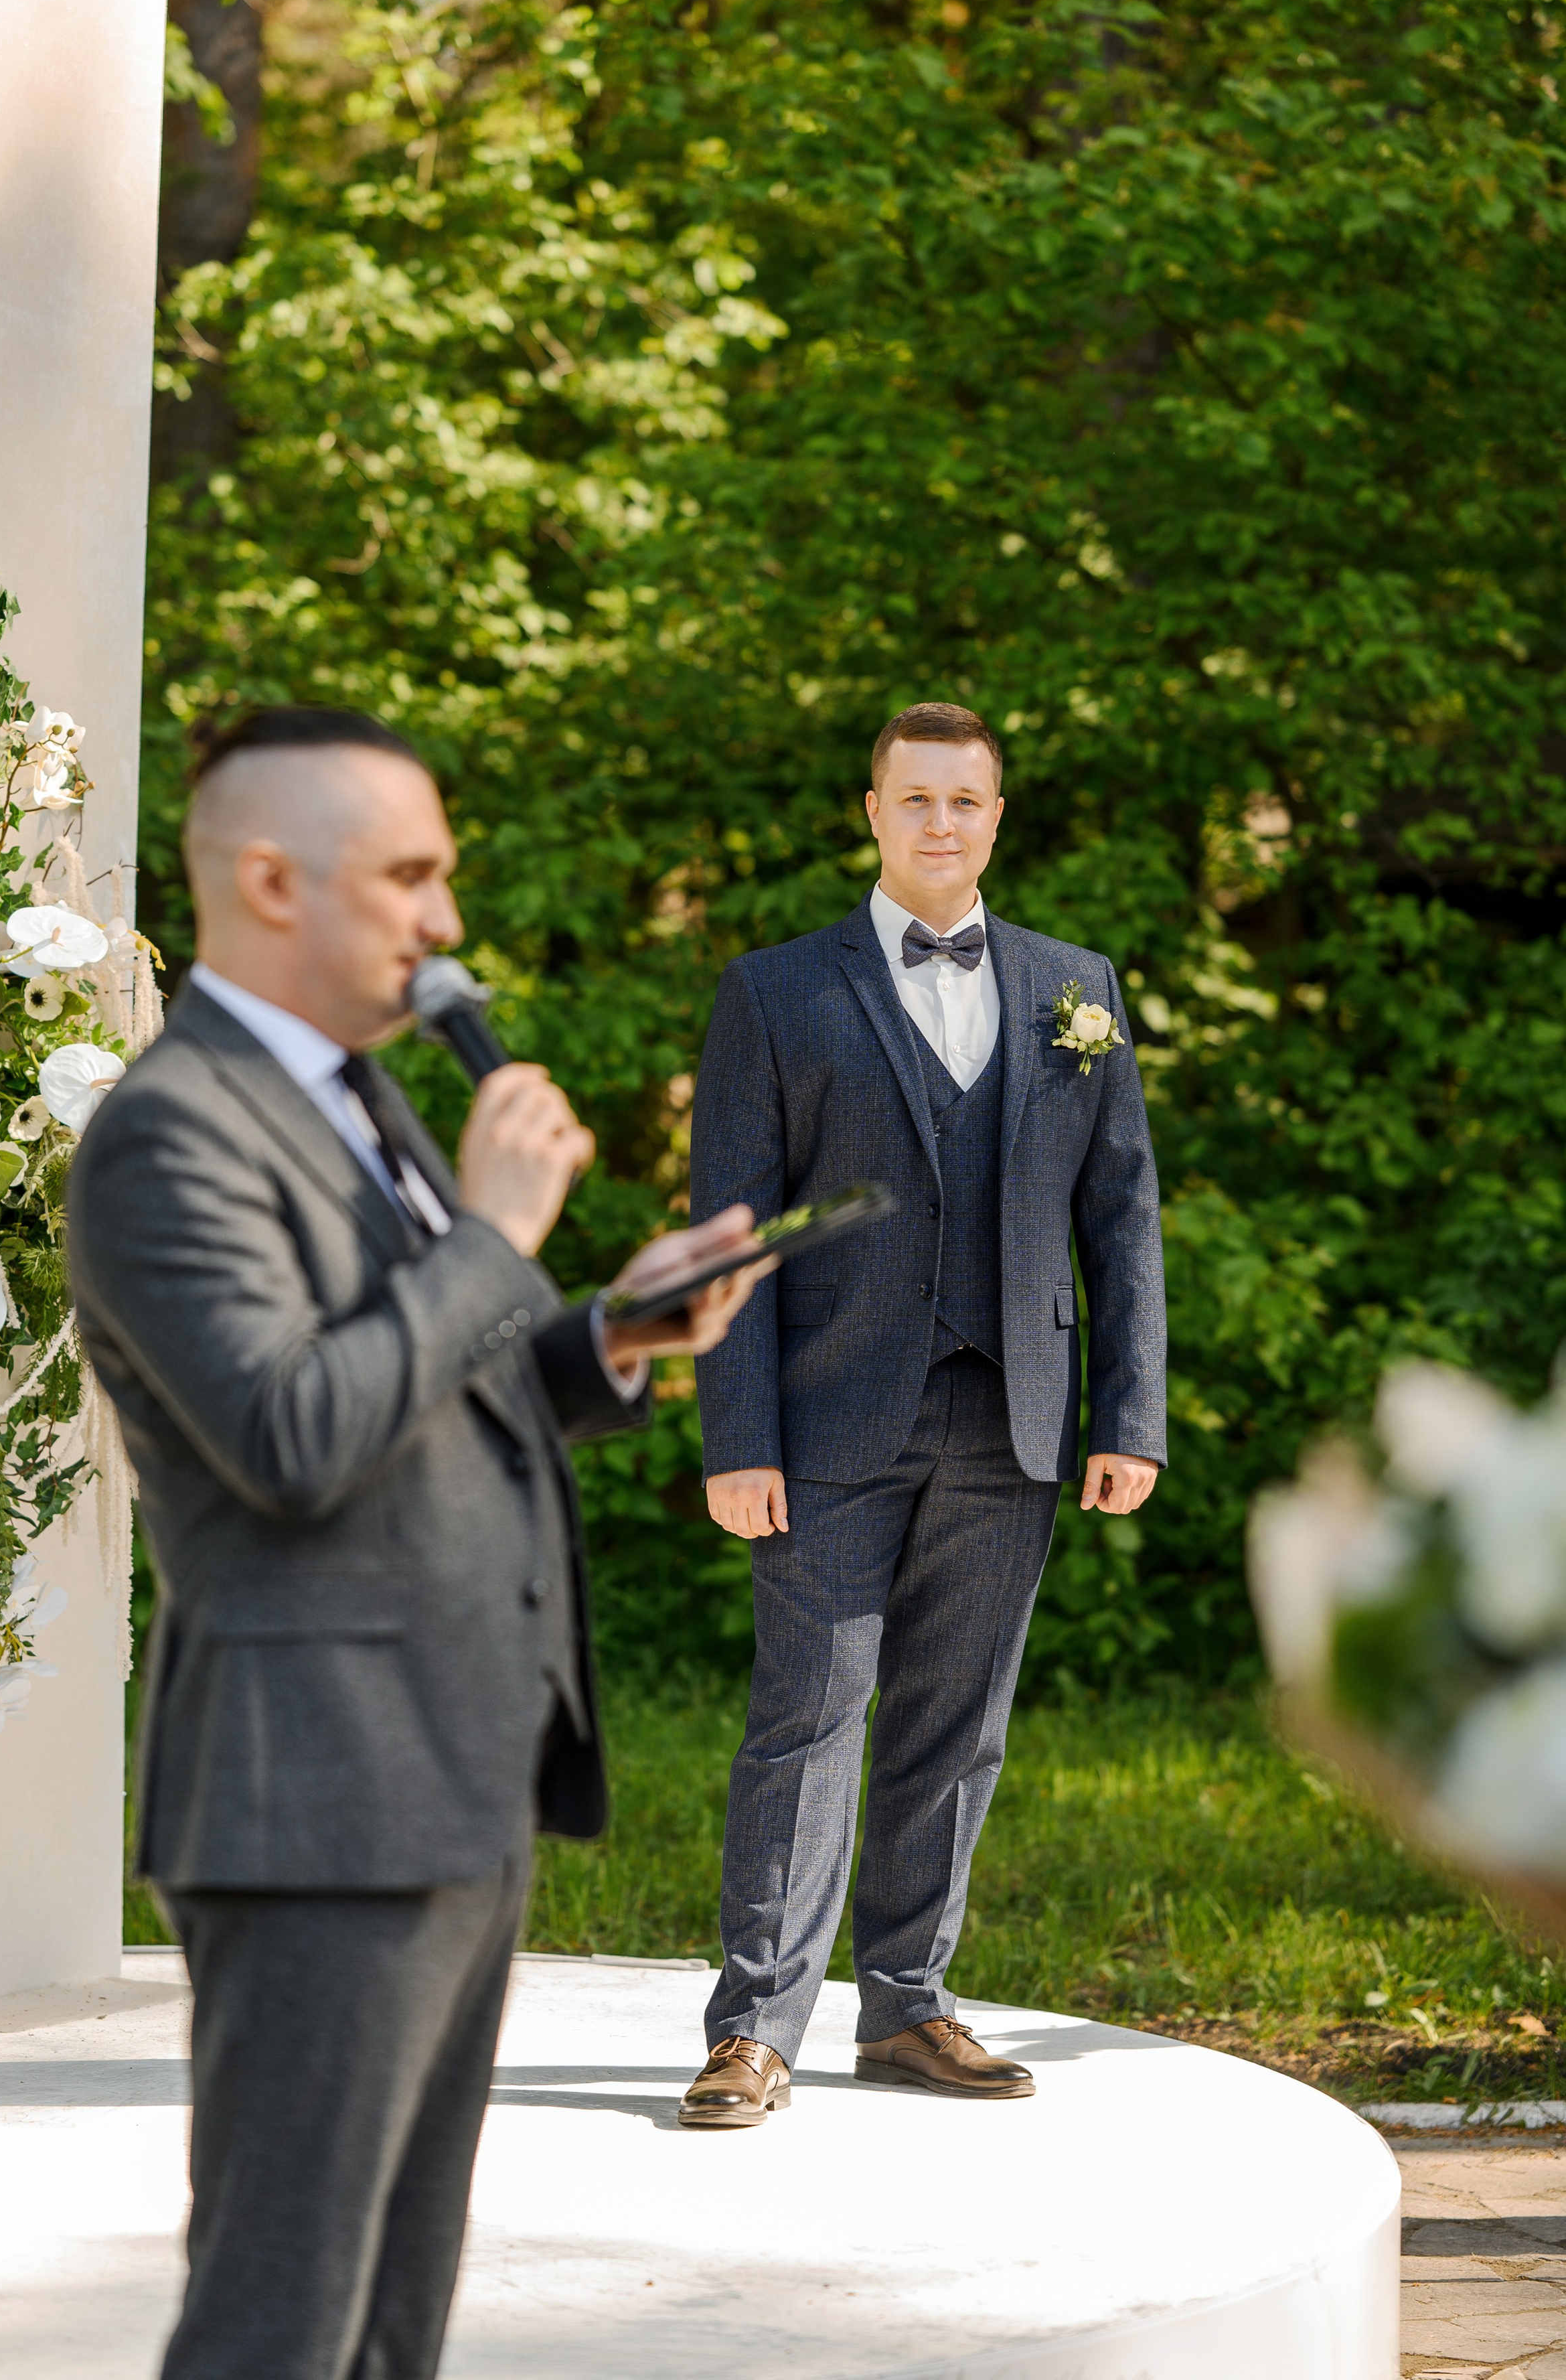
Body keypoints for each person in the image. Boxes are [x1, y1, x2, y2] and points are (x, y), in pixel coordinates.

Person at [68, 706, 767, 2378]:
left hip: (450, 1777)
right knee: (281, 2316)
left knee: (395, 2313)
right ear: (270, 881)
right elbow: (290, 1434)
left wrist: (607, 1335)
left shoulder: (352, 1097)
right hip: (316, 1795)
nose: (445, 919)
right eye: (410, 874)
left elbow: (420, 1382)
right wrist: (496, 1234)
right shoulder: (170, 1131)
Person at [679, 700, 1166, 2129]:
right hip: (827, 1417)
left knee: (958, 1723)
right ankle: (753, 2028)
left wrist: (1128, 1415)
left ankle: (904, 2005)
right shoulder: (775, 991)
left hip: (1014, 1416)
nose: (940, 821)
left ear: (995, 818)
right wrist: (737, 1437)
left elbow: (1122, 1216)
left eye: (965, 799)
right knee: (807, 1717)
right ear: (873, 811)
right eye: (915, 798)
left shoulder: (1075, 986)